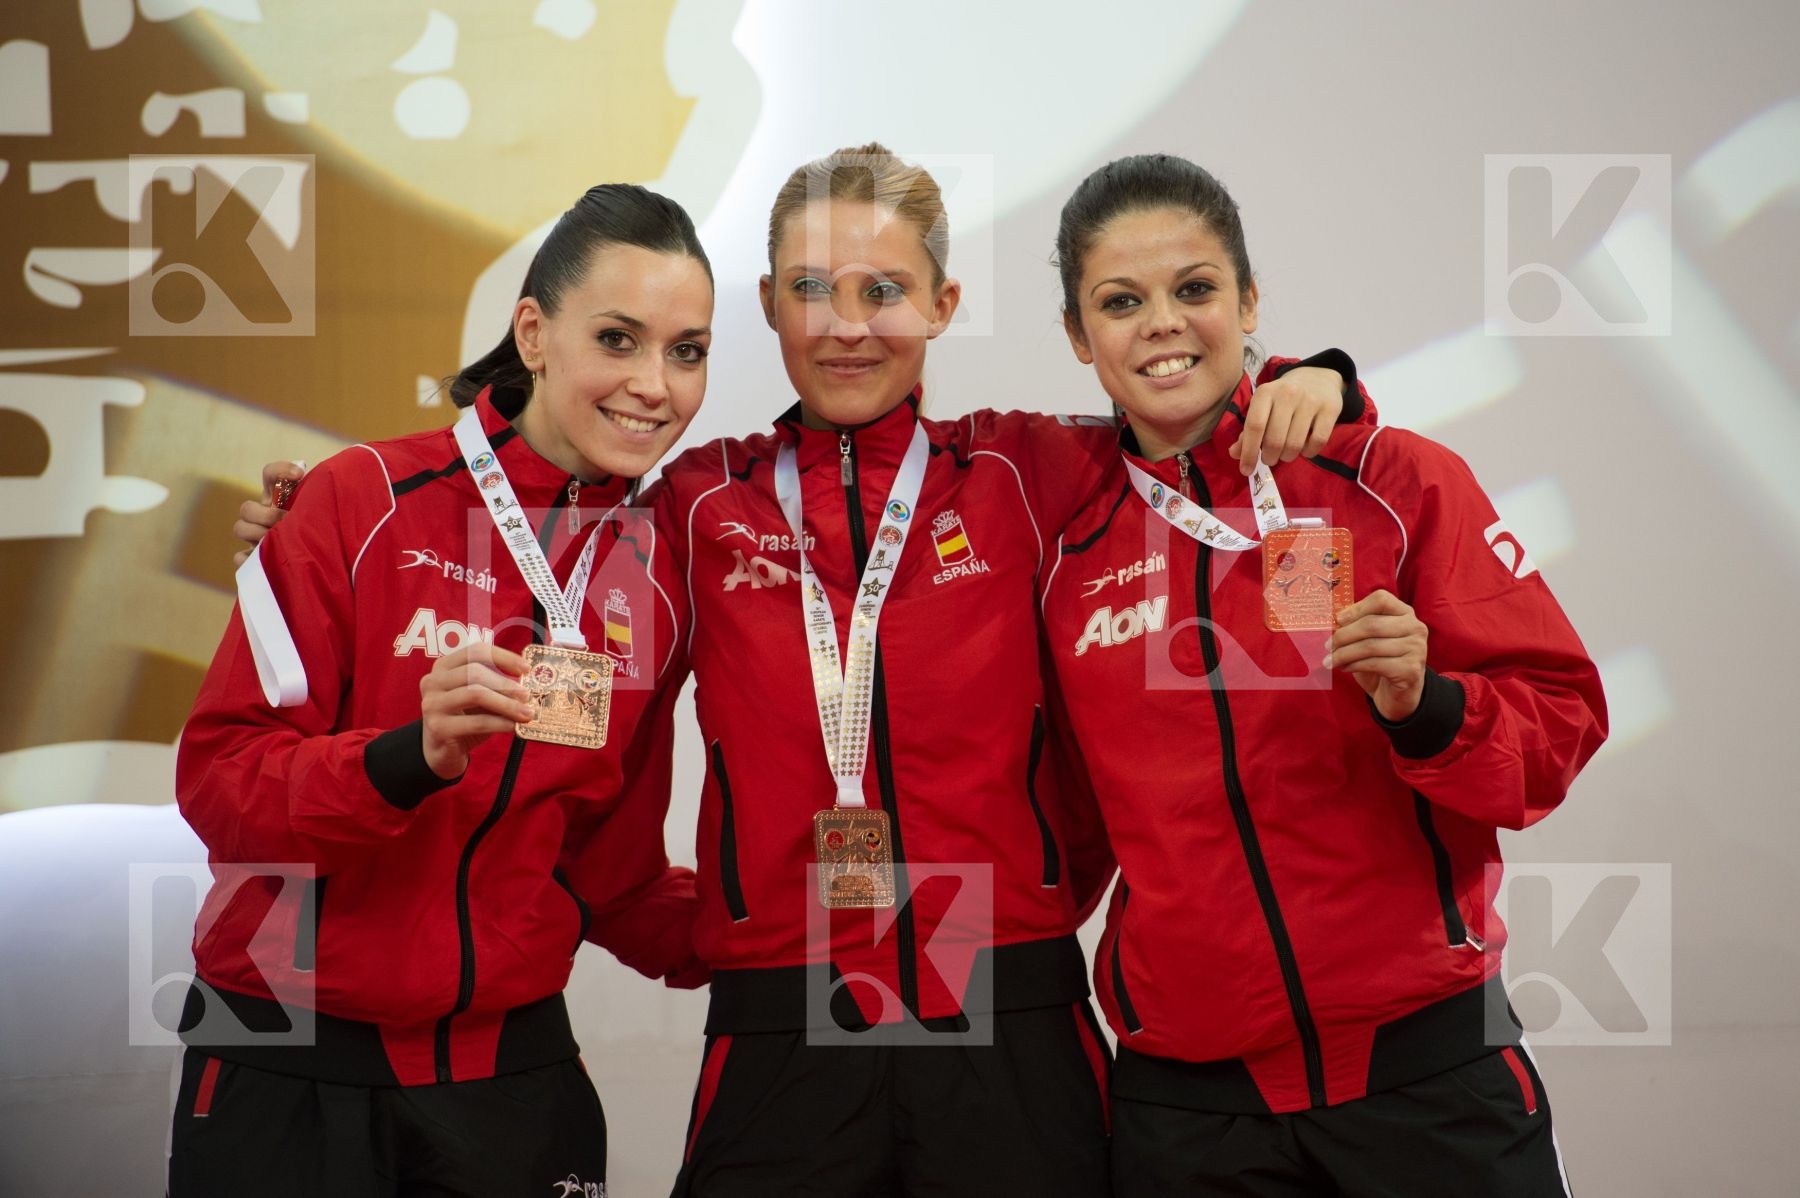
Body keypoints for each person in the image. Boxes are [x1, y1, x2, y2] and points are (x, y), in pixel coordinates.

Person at [236, 144, 1356, 1196]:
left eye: (886, 290)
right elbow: (533, 511)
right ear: (770, 305)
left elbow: (1186, 427)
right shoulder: (692, 506)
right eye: (814, 289)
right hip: (787, 1010)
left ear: (943, 307)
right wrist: (318, 520)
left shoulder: (1031, 470)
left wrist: (1319, 382)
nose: (850, 326)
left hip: (1009, 1003)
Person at [1041, 153, 1608, 1196]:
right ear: (1080, 336)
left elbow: (1559, 722)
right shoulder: (1061, 545)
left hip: (1428, 1081)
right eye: (1121, 302)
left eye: (1196, 288)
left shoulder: (1392, 479)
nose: (1162, 323)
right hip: (1189, 1113)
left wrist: (1428, 708)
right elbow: (1061, 820)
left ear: (1250, 299)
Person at [174, 183, 714, 1197]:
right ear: (534, 332)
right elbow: (222, 785)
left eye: (687, 350)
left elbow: (611, 871)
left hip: (506, 1074)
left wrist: (799, 925)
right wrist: (399, 759)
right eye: (619, 337)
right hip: (287, 1053)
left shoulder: (653, 571)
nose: (656, 384)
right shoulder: (361, 499)